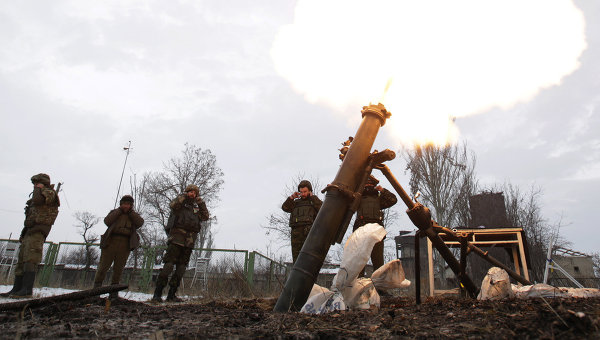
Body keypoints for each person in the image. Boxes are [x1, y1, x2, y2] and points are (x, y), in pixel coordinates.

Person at [1, 173, 60, 298]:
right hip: (29, 230)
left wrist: (38, 189)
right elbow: (30, 215)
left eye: (37, 183)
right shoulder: (37, 196)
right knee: (22, 260)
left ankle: (27, 290)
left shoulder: (49, 193)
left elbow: (39, 201)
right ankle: (17, 288)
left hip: (38, 231)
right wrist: (23, 233)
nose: (35, 186)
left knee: (31, 259)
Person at [152, 184, 209, 302]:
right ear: (187, 192)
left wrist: (201, 203)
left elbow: (205, 217)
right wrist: (183, 196)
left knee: (181, 268)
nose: (192, 194)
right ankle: (157, 293)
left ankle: (172, 294)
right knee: (168, 265)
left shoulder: (196, 207)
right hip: (177, 238)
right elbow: (172, 205)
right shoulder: (180, 204)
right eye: (190, 192)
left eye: (195, 192)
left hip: (189, 241)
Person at [93, 195, 144, 298]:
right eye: (124, 204)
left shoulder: (133, 215)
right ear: (121, 204)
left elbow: (140, 223)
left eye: (128, 204)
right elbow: (107, 221)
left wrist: (131, 213)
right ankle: (95, 292)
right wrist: (119, 211)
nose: (126, 206)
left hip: (125, 244)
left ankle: (114, 293)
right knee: (103, 267)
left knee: (118, 269)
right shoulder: (115, 213)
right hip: (111, 242)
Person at [353, 176, 397, 276]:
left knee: (378, 263)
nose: (368, 186)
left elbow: (393, 200)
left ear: (375, 186)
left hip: (376, 232)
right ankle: (358, 287)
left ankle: (379, 288)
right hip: (361, 231)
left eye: (371, 185)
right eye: (366, 184)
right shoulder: (358, 199)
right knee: (359, 263)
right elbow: (347, 201)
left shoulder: (379, 199)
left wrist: (383, 190)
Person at [281, 180, 323, 263]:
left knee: (309, 261)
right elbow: (285, 208)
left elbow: (323, 210)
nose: (303, 194)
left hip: (309, 235)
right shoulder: (295, 203)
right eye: (301, 192)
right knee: (297, 261)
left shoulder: (314, 202)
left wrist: (313, 198)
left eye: (305, 191)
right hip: (296, 237)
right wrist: (292, 197)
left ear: (310, 191)